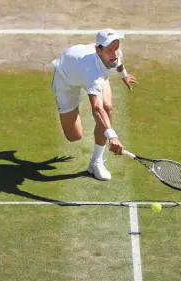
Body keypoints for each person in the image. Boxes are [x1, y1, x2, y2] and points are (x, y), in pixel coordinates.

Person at [52, 28, 136, 181]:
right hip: (66, 80)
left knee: (108, 108)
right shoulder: (94, 74)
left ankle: (95, 162)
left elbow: (118, 63)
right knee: (74, 136)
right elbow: (96, 109)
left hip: (86, 68)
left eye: (116, 48)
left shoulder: (114, 55)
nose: (115, 53)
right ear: (99, 50)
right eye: (109, 50)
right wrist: (112, 137)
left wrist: (124, 76)